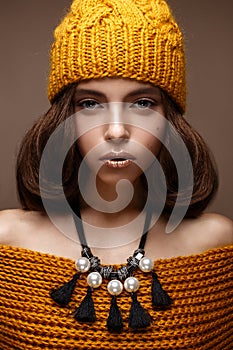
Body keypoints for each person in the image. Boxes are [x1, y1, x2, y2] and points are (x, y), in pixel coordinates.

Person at [0, 0, 232, 349]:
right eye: (90, 103)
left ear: (170, 119)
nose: (117, 130)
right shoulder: (7, 242)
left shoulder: (217, 246)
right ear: (64, 118)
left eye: (142, 103)